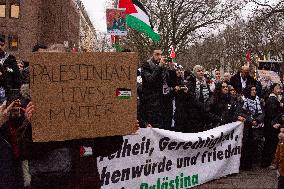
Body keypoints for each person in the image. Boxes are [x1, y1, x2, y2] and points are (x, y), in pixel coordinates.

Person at [241, 85, 264, 170]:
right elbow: (242, 112)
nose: (254, 91)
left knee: (253, 146)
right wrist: (250, 120)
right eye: (252, 90)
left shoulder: (259, 100)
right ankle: (244, 165)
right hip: (247, 126)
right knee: (246, 146)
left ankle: (250, 164)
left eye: (255, 90)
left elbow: (262, 113)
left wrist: (257, 120)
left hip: (256, 127)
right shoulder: (244, 101)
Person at [141, 49, 166, 128]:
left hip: (160, 100)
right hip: (149, 101)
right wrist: (159, 67)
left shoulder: (161, 65)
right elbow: (150, 80)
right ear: (152, 54)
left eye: (160, 55)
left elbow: (167, 82)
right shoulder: (146, 64)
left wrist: (170, 68)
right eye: (157, 54)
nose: (159, 57)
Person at [262, 83, 283, 168]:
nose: (279, 90)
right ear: (273, 89)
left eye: (280, 88)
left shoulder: (276, 99)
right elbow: (272, 113)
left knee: (271, 143)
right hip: (271, 125)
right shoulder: (272, 99)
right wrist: (274, 122)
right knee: (271, 143)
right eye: (277, 88)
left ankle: (268, 162)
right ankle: (268, 162)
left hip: (272, 124)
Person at [0, 36, 21, 103]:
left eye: (1, 45)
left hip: (7, 92)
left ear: (4, 45)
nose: (0, 47)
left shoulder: (10, 58)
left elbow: (17, 76)